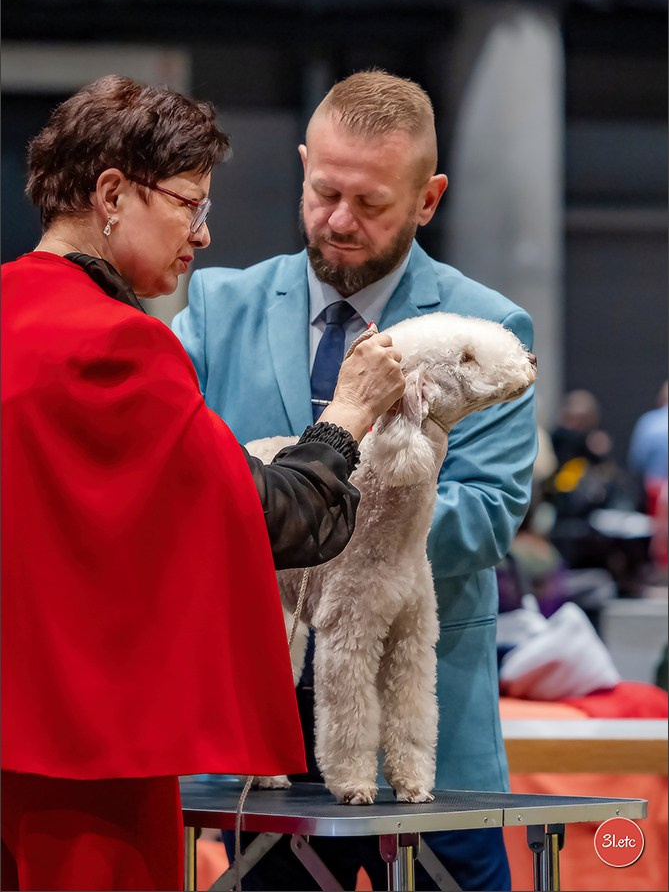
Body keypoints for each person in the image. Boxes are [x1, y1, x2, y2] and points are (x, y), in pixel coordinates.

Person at [1, 75, 406, 892]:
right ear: (111, 193)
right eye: (189, 203)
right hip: (78, 768)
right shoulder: (120, 347)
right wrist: (350, 418)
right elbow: (277, 519)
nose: (204, 233)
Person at [174, 69, 537, 892]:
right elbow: (187, 487)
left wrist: (328, 526)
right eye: (322, 191)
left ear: (428, 199)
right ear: (302, 165)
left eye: (369, 204)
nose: (337, 222)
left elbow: (486, 515)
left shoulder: (486, 329)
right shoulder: (216, 308)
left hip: (427, 744)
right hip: (265, 733)